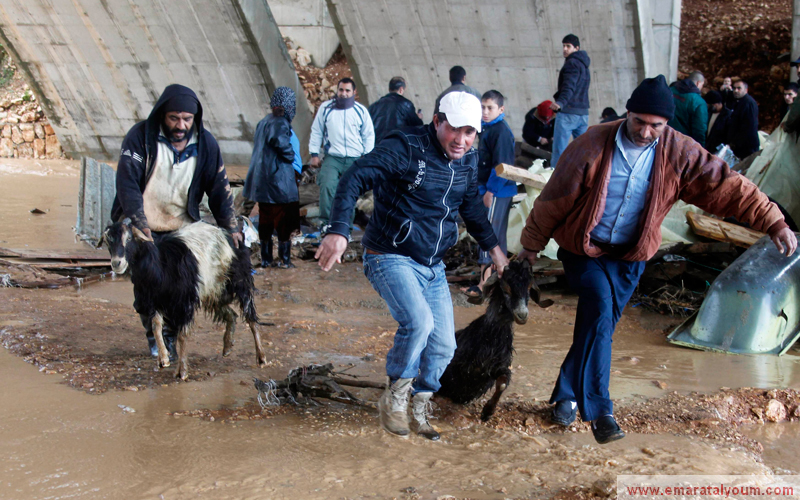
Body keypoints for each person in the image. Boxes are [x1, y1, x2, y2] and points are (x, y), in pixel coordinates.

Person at [517, 75, 796, 445]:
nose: (646, 132)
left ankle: (566, 396)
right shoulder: (592, 145)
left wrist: (773, 220)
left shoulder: (679, 152)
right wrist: (529, 250)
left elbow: (725, 185)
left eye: (656, 126)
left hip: (630, 257)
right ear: (627, 113)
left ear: (667, 125)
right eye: (639, 122)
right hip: (584, 249)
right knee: (598, 310)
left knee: (597, 328)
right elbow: (553, 199)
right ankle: (600, 411)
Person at [315, 91, 509, 440]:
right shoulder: (405, 147)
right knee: (418, 322)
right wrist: (339, 230)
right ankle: (395, 396)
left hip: (432, 265)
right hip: (389, 254)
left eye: (470, 133)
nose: (461, 140)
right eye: (454, 130)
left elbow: (472, 210)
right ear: (437, 121)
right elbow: (354, 178)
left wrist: (495, 249)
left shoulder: (467, 160)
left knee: (444, 346)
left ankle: (419, 404)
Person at [111, 84, 242, 357]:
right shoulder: (140, 138)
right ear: (162, 114)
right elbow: (127, 183)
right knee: (147, 289)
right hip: (142, 229)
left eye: (187, 119)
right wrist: (138, 222)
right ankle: (156, 339)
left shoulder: (206, 145)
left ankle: (168, 339)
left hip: (181, 230)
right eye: (174, 118)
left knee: (178, 287)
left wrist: (231, 227)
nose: (180, 125)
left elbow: (219, 187)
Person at [463, 90, 517, 299]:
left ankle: (484, 283)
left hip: (497, 190)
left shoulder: (500, 132)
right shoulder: (488, 128)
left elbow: (502, 166)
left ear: (501, 109)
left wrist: (490, 192)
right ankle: (497, 281)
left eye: (490, 108)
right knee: (496, 235)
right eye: (482, 107)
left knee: (489, 233)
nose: (485, 112)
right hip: (491, 188)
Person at [243, 87, 303, 269]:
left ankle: (266, 259)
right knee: (283, 221)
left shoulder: (263, 122)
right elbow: (281, 143)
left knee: (265, 220)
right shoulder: (280, 122)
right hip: (278, 182)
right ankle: (284, 260)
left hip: (262, 181)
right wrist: (291, 155)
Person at [308, 77, 375, 230]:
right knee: (327, 185)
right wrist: (314, 154)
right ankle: (326, 223)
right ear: (337, 91)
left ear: (354, 92)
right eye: (341, 90)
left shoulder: (360, 111)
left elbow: (369, 135)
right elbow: (317, 131)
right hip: (333, 157)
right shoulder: (326, 109)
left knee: (349, 191)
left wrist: (367, 156)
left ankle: (346, 225)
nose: (344, 93)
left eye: (347, 91)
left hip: (354, 158)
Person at [550, 34, 591, 169]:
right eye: (564, 46)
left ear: (576, 48)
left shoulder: (572, 64)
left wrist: (560, 102)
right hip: (583, 113)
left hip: (568, 113)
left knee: (559, 152)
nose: (565, 49)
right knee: (583, 151)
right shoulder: (584, 65)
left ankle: (555, 182)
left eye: (568, 46)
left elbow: (569, 86)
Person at [368, 76, 423, 144]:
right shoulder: (405, 104)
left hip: (379, 146)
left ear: (389, 89)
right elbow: (417, 126)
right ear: (401, 89)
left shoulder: (374, 106)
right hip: (398, 145)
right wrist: (419, 118)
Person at [668, 71, 708, 147]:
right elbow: (699, 130)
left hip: (663, 136)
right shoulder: (699, 102)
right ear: (698, 83)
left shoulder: (670, 90)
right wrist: (700, 149)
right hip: (682, 144)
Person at [727, 80, 760, 160]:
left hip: (747, 147)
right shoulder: (739, 102)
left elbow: (750, 126)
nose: (735, 91)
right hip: (739, 146)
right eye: (734, 88)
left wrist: (737, 143)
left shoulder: (749, 103)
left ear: (746, 90)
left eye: (739, 88)